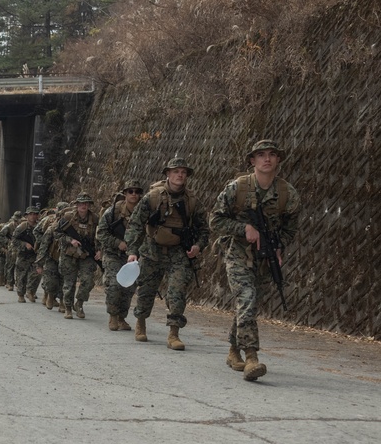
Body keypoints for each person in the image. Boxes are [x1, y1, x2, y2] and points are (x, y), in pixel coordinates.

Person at [210, 140, 299, 381]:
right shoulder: (237, 187)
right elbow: (215, 221)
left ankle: (232, 351)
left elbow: (290, 229)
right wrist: (244, 228)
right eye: (261, 155)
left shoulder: (287, 194)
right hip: (237, 254)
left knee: (247, 306)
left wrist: (277, 247)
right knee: (247, 298)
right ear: (252, 161)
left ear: (278, 159)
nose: (266, 159)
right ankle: (251, 357)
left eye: (272, 155)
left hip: (263, 258)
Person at [125, 158, 210, 349]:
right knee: (146, 290)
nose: (180, 175)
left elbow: (204, 229)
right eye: (176, 171)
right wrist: (132, 251)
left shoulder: (193, 202)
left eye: (183, 172)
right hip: (151, 250)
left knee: (177, 291)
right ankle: (141, 321)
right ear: (168, 174)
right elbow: (136, 224)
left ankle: (173, 333)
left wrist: (197, 246)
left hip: (179, 253)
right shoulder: (152, 198)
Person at [96, 180, 143, 331]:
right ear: (125, 194)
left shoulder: (144, 211)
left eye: (137, 191)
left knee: (129, 288)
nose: (134, 194)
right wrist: (118, 243)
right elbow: (101, 233)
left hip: (134, 256)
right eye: (131, 191)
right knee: (115, 285)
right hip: (113, 254)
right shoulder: (113, 212)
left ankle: (122, 317)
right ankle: (113, 316)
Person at [54, 195, 100, 319]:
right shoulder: (68, 217)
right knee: (69, 282)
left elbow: (101, 235)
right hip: (69, 254)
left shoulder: (95, 219)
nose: (83, 206)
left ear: (89, 205)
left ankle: (79, 303)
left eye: (86, 203)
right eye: (81, 203)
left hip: (87, 254)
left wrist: (100, 250)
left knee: (88, 281)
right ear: (77, 205)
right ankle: (68, 307)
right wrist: (70, 240)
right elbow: (57, 234)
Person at [12, 207, 41, 303]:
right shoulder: (22, 227)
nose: (33, 216)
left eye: (35, 214)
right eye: (31, 214)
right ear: (27, 216)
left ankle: (31, 292)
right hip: (23, 255)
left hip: (35, 255)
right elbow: (14, 240)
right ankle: (21, 294)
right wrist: (24, 244)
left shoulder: (40, 226)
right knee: (21, 275)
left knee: (36, 274)